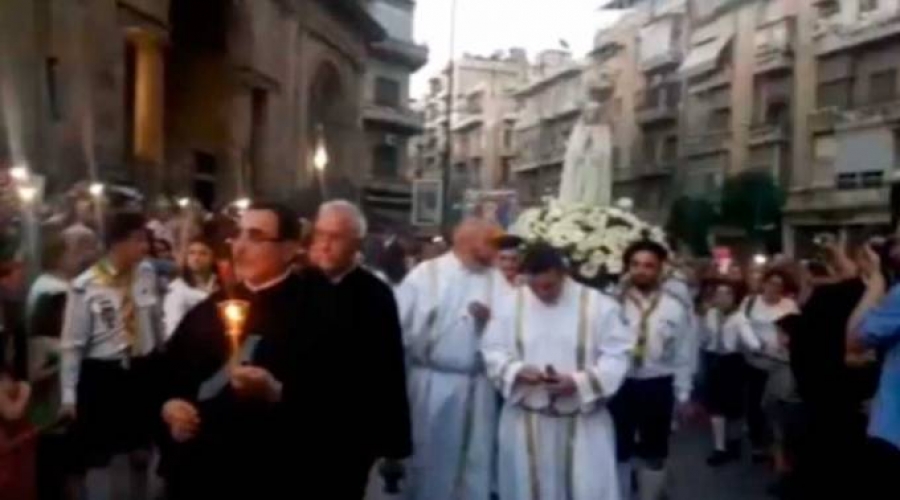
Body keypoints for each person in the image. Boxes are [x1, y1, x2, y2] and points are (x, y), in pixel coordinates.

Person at [158, 202, 309, 499]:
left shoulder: (316, 311)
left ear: (290, 250)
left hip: (271, 471)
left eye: (255, 237)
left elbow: (338, 400)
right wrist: (170, 406)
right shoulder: (210, 307)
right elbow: (168, 371)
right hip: (201, 467)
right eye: (238, 235)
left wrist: (277, 392)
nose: (239, 248)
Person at [482, 243, 632, 500]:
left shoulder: (599, 306)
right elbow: (491, 349)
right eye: (534, 286)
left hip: (583, 423)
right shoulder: (509, 305)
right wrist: (517, 371)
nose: (542, 293)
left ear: (563, 274)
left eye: (549, 286)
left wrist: (578, 382)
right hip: (527, 420)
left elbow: (618, 356)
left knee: (586, 489)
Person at [308, 200, 412, 498]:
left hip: (350, 431)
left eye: (335, 237)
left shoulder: (376, 295)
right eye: (320, 234)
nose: (325, 245)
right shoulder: (299, 284)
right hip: (297, 426)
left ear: (356, 243)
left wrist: (394, 446)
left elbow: (389, 368)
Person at [60, 211, 165, 500]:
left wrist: (161, 354)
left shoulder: (146, 272)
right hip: (105, 374)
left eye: (146, 239)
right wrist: (69, 394)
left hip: (143, 369)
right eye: (137, 240)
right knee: (107, 456)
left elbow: (155, 318)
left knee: (142, 451)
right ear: (116, 243)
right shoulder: (86, 285)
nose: (144, 247)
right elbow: (72, 344)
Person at [396, 218, 501, 500]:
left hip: (480, 385)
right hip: (432, 382)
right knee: (430, 458)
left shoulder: (498, 279)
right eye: (492, 242)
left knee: (475, 462)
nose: (497, 250)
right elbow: (397, 330)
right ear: (467, 241)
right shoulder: (425, 275)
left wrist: (491, 322)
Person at [610, 240, 693, 500]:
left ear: (660, 270)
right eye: (635, 265)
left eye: (648, 266)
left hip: (658, 382)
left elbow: (684, 351)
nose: (641, 271)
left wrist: (683, 393)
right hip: (619, 383)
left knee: (654, 451)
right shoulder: (611, 302)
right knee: (617, 449)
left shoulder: (675, 306)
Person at [741, 269, 799, 462]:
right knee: (755, 403)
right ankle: (758, 443)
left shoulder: (789, 305)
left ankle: (777, 445)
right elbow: (742, 326)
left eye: (779, 285)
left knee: (776, 406)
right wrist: (755, 345)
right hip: (756, 361)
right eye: (772, 283)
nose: (775, 288)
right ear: (764, 283)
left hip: (781, 363)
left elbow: (797, 328)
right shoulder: (750, 303)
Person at [701, 280, 761, 466]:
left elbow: (752, 342)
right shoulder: (711, 314)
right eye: (719, 294)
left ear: (734, 298)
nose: (722, 298)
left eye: (727, 294)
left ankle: (734, 442)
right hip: (713, 360)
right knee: (715, 406)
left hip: (732, 362)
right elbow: (704, 336)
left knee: (734, 407)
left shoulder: (739, 317)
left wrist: (755, 347)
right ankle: (720, 447)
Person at [163, 237, 219, 338]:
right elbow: (173, 327)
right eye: (192, 253)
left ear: (213, 258)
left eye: (203, 253)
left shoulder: (220, 286)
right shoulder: (177, 288)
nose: (196, 258)